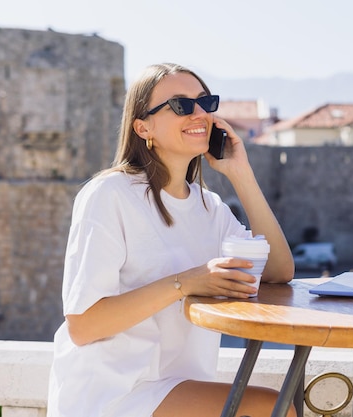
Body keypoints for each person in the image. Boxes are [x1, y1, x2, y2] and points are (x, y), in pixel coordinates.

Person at [47, 63, 296, 417]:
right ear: (142, 126)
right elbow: (83, 325)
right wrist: (186, 283)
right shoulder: (109, 194)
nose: (199, 113)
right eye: (181, 105)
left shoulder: (211, 208)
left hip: (176, 388)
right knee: (272, 408)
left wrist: (242, 175)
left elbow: (278, 270)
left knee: (277, 405)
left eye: (205, 102)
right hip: (111, 395)